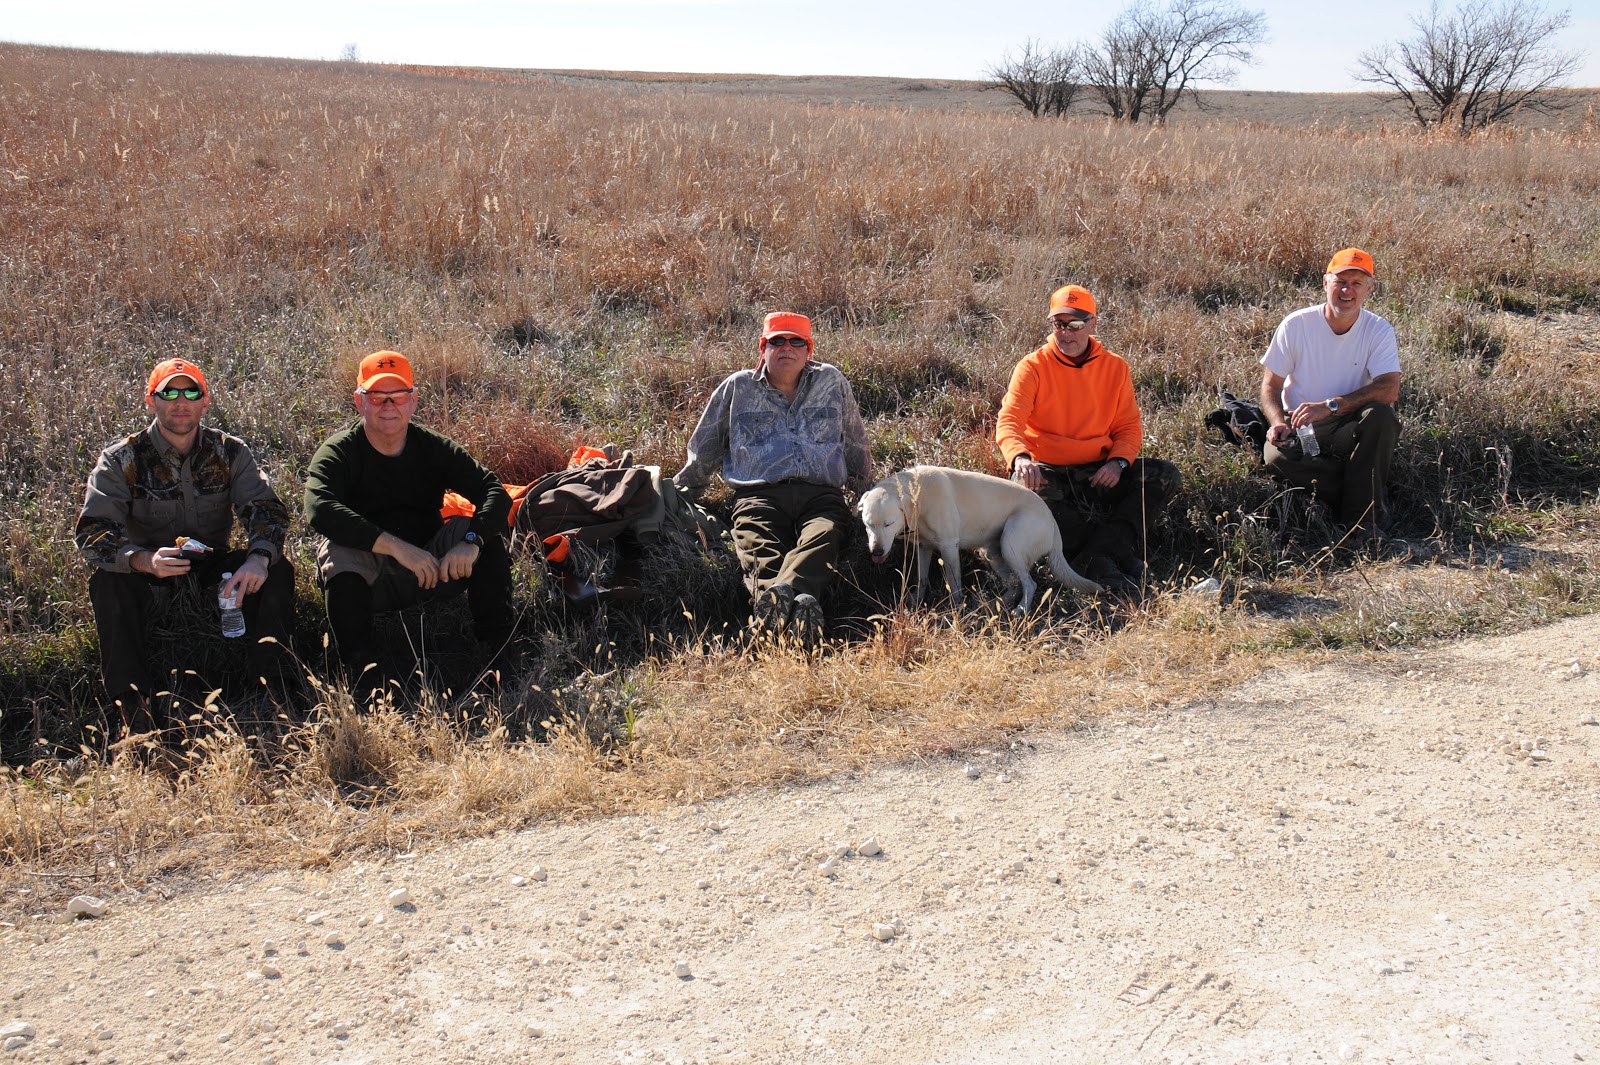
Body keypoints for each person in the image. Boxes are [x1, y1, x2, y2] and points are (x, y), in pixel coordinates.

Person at [75, 358, 296, 738]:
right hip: (150, 573)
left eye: (190, 392)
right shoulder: (121, 459)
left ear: (204, 401)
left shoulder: (229, 451)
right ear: (151, 401)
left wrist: (259, 558)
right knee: (108, 583)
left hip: (211, 567)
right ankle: (132, 707)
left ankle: (274, 692)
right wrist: (142, 561)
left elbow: (266, 511)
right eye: (169, 393)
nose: (181, 401)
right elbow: (92, 533)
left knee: (277, 570)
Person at [303, 350, 514, 690]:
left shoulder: (432, 447)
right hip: (370, 575)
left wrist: (470, 544)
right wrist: (396, 548)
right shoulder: (339, 451)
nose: (389, 405)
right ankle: (360, 671)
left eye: (398, 395)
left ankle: (499, 654)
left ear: (413, 401)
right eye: (377, 396)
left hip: (431, 567)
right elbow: (318, 507)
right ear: (360, 402)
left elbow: (494, 491)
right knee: (337, 553)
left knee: (479, 535)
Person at [674, 312, 871, 646]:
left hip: (821, 494)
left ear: (809, 350)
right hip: (758, 496)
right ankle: (799, 610)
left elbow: (854, 439)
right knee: (758, 545)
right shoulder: (738, 387)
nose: (787, 348)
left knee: (824, 535)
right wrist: (680, 493)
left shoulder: (831, 381)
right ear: (763, 347)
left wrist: (866, 494)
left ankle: (772, 618)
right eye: (777, 341)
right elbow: (705, 447)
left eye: (796, 342)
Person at [997, 284, 1181, 595]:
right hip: (1048, 469)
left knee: (1163, 475)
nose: (1066, 333)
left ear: (1093, 324)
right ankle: (1104, 556)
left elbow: (1129, 427)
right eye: (1059, 324)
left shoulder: (1115, 368)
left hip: (1099, 471)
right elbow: (1009, 421)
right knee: (1024, 491)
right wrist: (1021, 458)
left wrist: (1118, 463)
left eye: (1075, 324)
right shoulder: (1032, 367)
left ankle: (1105, 552)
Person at [1259, 248, 1402, 539]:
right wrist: (1277, 423)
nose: (1347, 290)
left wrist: (1331, 406)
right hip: (1300, 425)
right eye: (1340, 281)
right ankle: (1364, 495)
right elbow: (1270, 386)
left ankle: (1362, 524)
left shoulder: (1378, 330)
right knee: (1276, 460)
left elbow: (1389, 389)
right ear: (1326, 283)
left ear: (1369, 290)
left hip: (1346, 422)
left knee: (1381, 417)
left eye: (1356, 283)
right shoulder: (1296, 325)